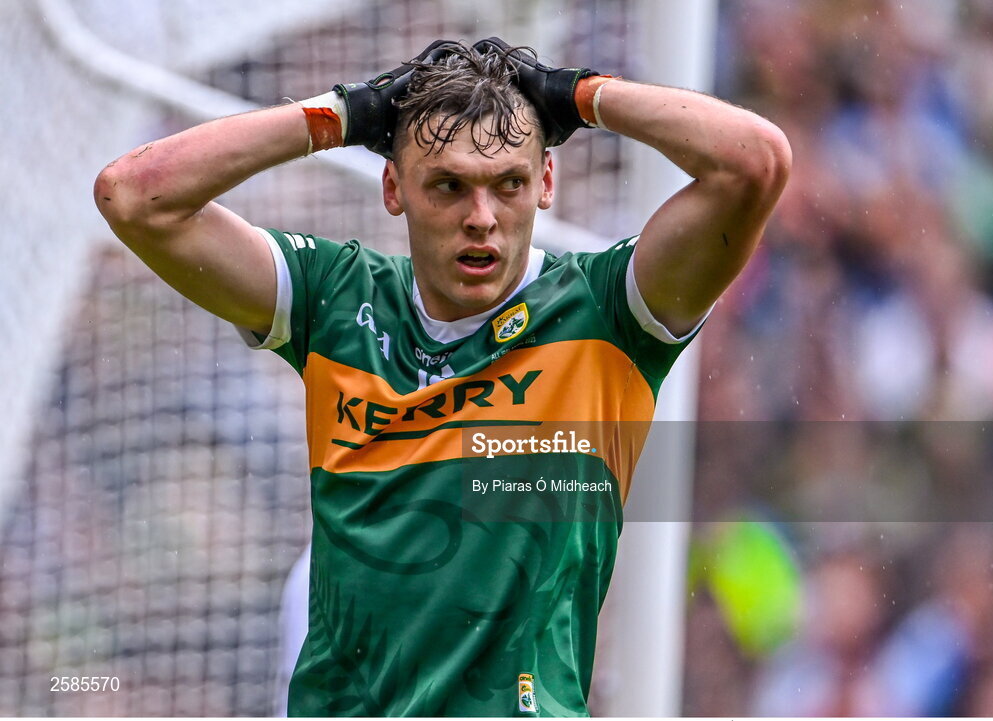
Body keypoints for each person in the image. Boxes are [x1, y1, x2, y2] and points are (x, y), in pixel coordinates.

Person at [95, 38, 789, 716]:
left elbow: (753, 162)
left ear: (546, 182)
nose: (481, 219)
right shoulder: (336, 297)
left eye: (508, 184)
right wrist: (343, 115)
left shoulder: (605, 314)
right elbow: (136, 195)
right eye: (449, 186)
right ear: (393, 188)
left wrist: (577, 95)